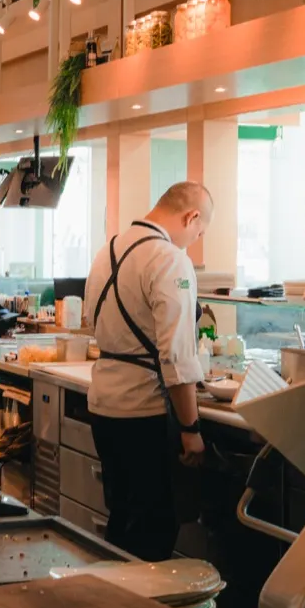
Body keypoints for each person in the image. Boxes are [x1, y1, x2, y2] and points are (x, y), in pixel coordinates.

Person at [83, 181, 212, 561]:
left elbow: (91, 321)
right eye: (199, 232)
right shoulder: (170, 259)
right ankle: (136, 599)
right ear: (191, 217)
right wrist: (191, 429)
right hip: (144, 413)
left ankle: (113, 595)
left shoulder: (107, 250)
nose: (194, 241)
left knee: (122, 520)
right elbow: (177, 356)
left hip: (104, 406)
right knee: (152, 534)